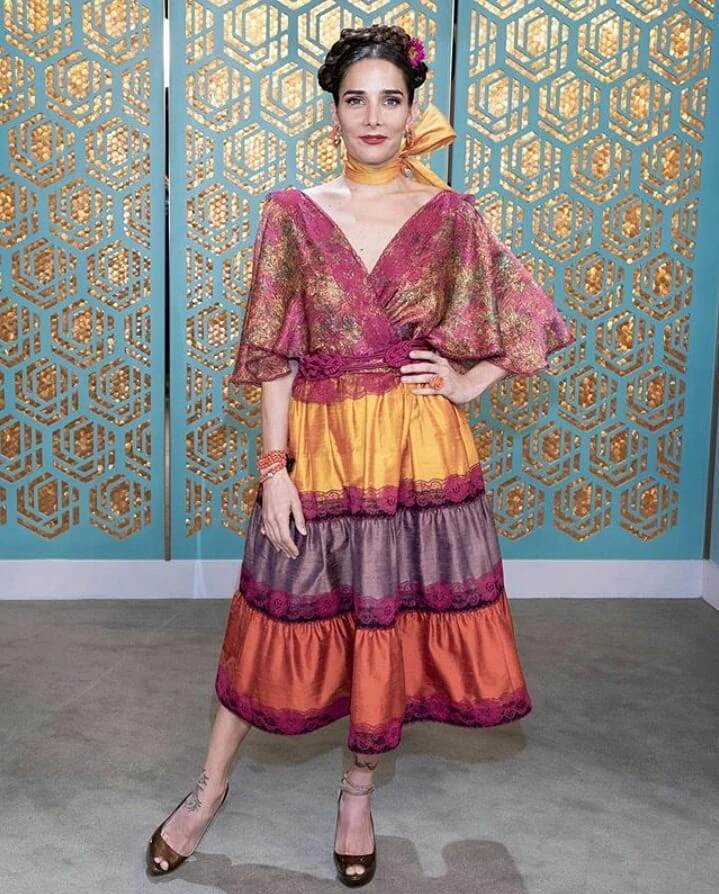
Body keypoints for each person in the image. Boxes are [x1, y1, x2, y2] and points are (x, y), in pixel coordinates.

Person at [147, 24, 573, 887]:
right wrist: (274, 470)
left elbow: (532, 316)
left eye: (390, 99)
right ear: (332, 111)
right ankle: (207, 790)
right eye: (355, 99)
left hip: (417, 449)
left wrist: (467, 380)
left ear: (412, 111)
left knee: (388, 623)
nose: (373, 116)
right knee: (273, 620)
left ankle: (356, 793)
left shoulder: (449, 214)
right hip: (321, 442)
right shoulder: (292, 211)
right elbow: (274, 352)